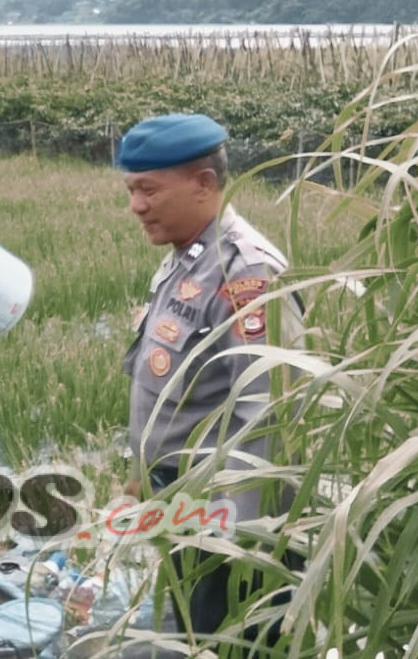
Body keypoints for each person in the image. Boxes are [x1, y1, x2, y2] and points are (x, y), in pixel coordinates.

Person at [116, 113, 296, 640]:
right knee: (197, 637)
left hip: (225, 519)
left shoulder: (247, 274)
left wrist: (234, 541)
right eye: (130, 190)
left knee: (232, 642)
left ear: (204, 184)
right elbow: (164, 388)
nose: (136, 206)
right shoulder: (185, 259)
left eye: (148, 189)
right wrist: (143, 474)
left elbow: (268, 416)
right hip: (179, 500)